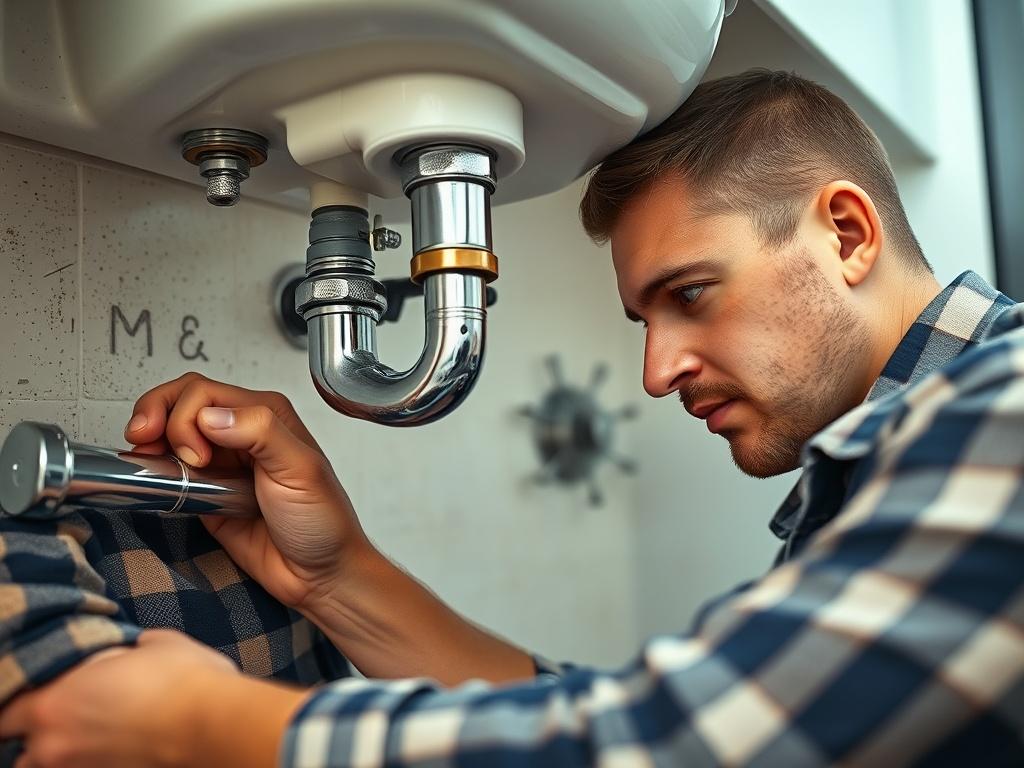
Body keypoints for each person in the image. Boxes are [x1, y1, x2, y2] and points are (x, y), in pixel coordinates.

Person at [2, 68, 1023, 767]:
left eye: (693, 294)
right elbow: (649, 716)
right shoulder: (888, 466)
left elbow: (673, 747)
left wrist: (203, 727)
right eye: (642, 317)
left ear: (845, 232)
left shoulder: (1005, 403)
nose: (657, 370)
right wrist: (334, 573)